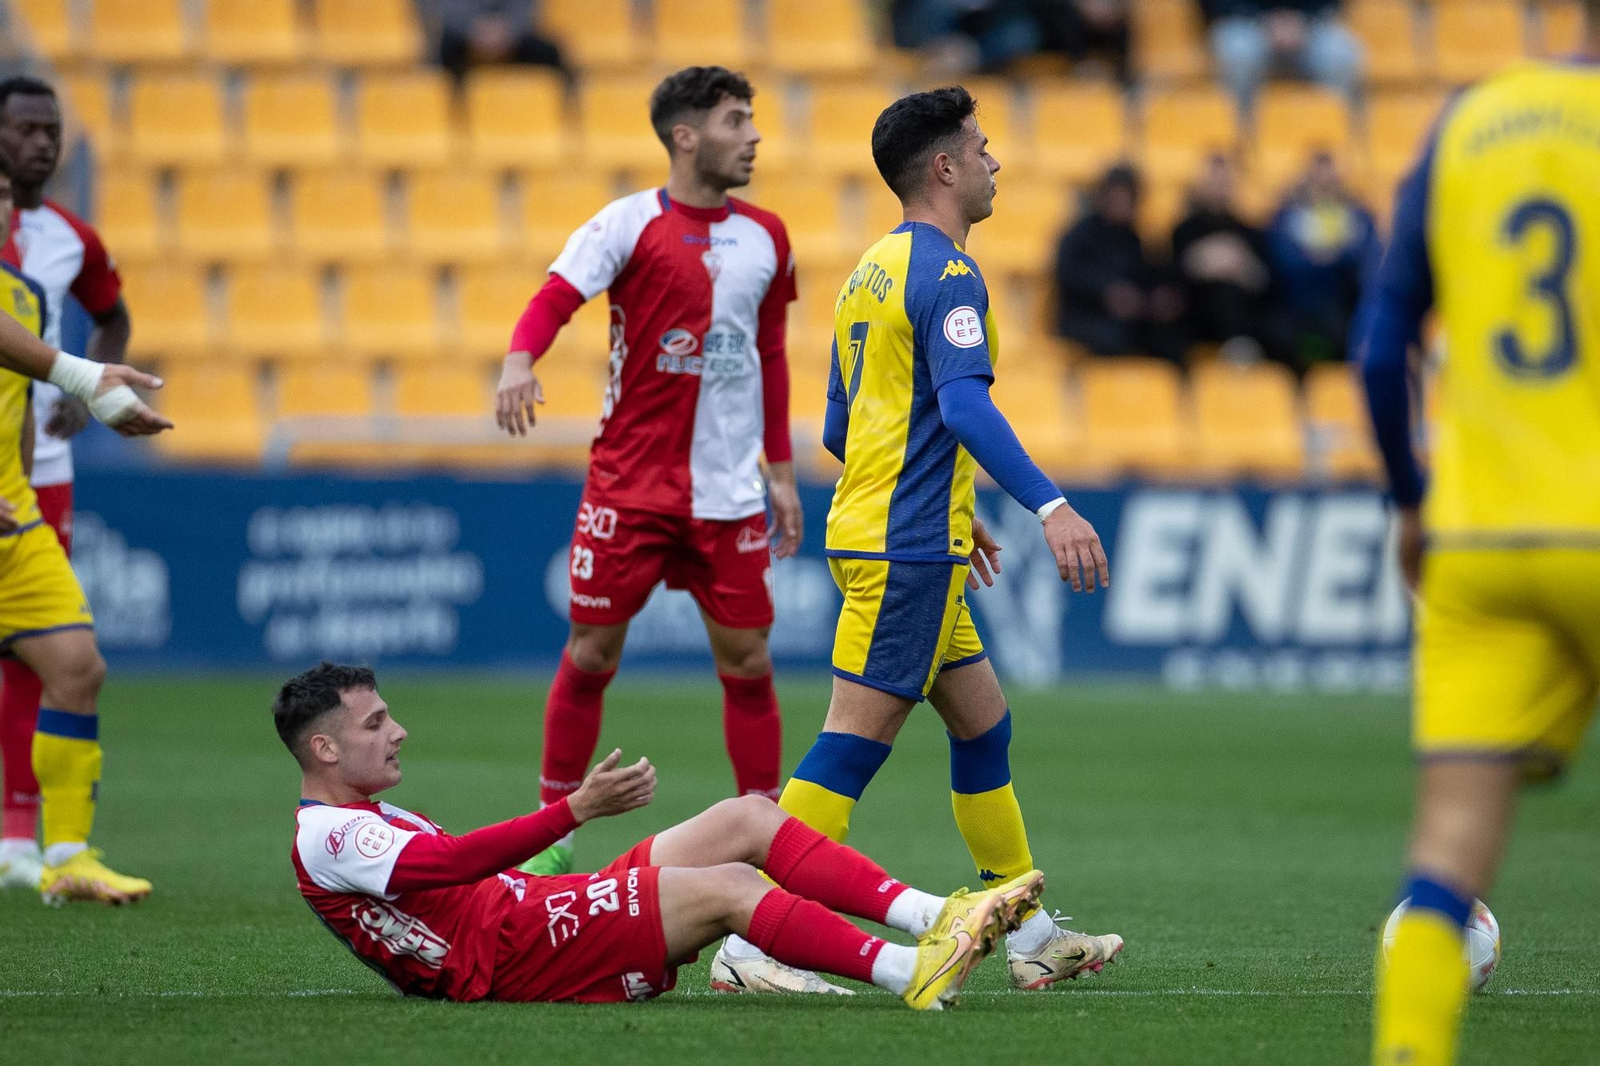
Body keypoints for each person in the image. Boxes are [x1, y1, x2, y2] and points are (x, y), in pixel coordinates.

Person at [714, 86, 1124, 995]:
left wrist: (945, 497)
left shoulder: (869, 271)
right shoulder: (946, 274)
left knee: (985, 727)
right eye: (981, 147)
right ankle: (753, 943)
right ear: (944, 167)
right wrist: (1051, 506)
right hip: (903, 549)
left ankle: (1029, 931)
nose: (994, 162)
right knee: (850, 746)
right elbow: (965, 403)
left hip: (904, 535)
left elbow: (842, 423)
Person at [279, 661, 1044, 1009]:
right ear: (324, 749)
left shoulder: (362, 819)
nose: (398, 732)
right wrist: (572, 811)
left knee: (746, 814)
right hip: (512, 954)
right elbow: (449, 864)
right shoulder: (327, 837)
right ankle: (910, 971)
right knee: (733, 889)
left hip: (534, 914)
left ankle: (931, 916)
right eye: (376, 724)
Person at [1356, 24, 1600, 1066]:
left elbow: (1378, 349)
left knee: (1446, 856)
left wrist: (1412, 502)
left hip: (1480, 538)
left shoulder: (1470, 120)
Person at [493, 67, 801, 882]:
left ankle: (764, 829)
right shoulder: (626, 224)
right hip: (629, 489)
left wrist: (782, 470)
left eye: (753, 118)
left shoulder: (768, 235)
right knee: (591, 655)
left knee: (748, 661)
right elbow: (555, 297)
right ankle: (553, 827)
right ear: (686, 136)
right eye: (738, 119)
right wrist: (520, 357)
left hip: (730, 493)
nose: (754, 135)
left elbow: (770, 354)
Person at [0, 156, 170, 902]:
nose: (5, 209)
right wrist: (86, 378)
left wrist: (26, 489)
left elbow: (20, 410)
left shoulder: (29, 297)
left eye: (8, 199)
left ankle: (66, 857)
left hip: (14, 517)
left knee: (76, 668)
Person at [1054, 164, 1188, 365]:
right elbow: (1068, 274)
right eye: (1117, 197)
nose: (1122, 204)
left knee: (1170, 340)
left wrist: (1156, 299)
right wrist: (1106, 293)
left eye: (1128, 198)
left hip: (1130, 320)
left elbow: (1151, 278)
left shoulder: (1138, 239)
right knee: (1111, 337)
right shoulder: (1080, 235)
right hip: (1086, 317)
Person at [1265, 151, 1375, 368]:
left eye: (1329, 181)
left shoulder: (1357, 216)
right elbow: (1282, 260)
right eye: (1318, 181)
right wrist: (1326, 259)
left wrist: (1330, 258)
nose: (1324, 188)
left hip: (1342, 305)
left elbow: (1366, 258)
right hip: (1295, 306)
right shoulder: (1287, 216)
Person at [1170, 153, 1282, 364]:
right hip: (1197, 315)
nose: (1219, 188)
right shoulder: (1184, 231)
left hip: (1244, 314)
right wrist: (1201, 262)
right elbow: (1174, 276)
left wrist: (1243, 267)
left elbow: (1264, 280)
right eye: (1214, 181)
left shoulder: (1249, 232)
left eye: (1225, 182)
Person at [1202, 0, 1364, 109]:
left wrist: (1302, 19)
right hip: (1243, 20)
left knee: (1340, 55)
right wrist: (1262, 19)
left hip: (1309, 23)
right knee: (1239, 54)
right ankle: (1240, 138)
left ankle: (1329, 140)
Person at [424, 0, 567, 85]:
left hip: (512, 34)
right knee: (443, 48)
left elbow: (528, 10)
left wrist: (509, 31)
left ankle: (556, 107)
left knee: (548, 51)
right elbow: (446, 10)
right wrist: (472, 31)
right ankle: (451, 107)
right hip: (467, 34)